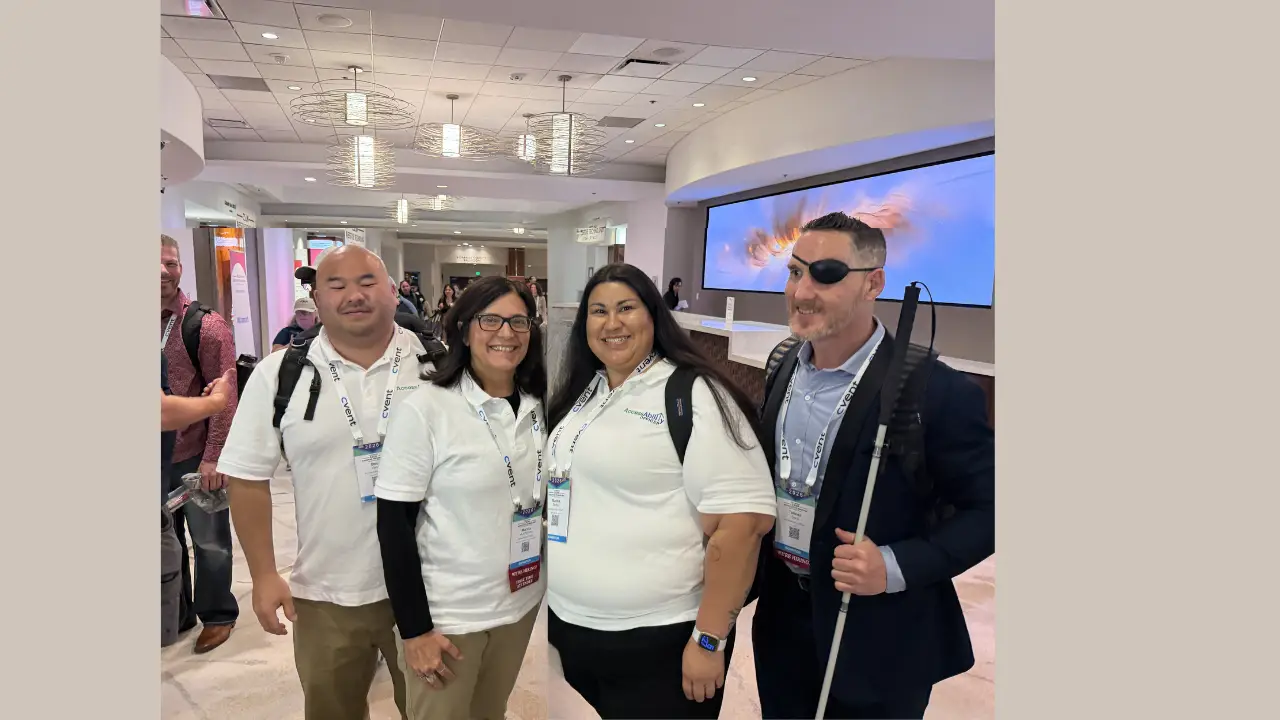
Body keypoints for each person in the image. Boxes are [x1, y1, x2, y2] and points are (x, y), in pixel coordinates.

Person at [750, 212, 995, 720]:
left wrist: (895, 566)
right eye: (795, 272)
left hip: (879, 636)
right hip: (784, 621)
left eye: (827, 274)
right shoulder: (782, 365)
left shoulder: (934, 389)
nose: (802, 291)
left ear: (873, 283)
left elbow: (990, 510)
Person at [544, 264, 776, 719]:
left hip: (659, 638)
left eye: (626, 308)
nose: (612, 323)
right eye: (598, 311)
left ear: (654, 315)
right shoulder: (587, 391)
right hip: (574, 627)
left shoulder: (691, 393)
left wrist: (709, 640)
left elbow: (743, 526)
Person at [218, 245, 424, 720]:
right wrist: (266, 574)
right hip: (327, 593)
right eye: (337, 285)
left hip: (428, 586)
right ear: (317, 298)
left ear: (394, 293)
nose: (354, 295)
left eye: (367, 282)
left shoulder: (439, 366)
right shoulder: (279, 374)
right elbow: (247, 478)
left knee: (432, 711)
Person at [374, 276, 547, 720]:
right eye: (490, 320)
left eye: (519, 321)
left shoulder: (539, 404)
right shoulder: (426, 408)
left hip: (518, 605)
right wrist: (415, 631)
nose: (506, 333)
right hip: (448, 619)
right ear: (465, 330)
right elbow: (393, 526)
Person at [160, 233, 240, 654]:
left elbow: (225, 397)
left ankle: (218, 613)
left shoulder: (205, 325)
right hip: (155, 460)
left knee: (208, 540)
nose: (162, 271)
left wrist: (215, 458)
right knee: (164, 542)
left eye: (171, 263)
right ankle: (177, 611)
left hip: (192, 455)